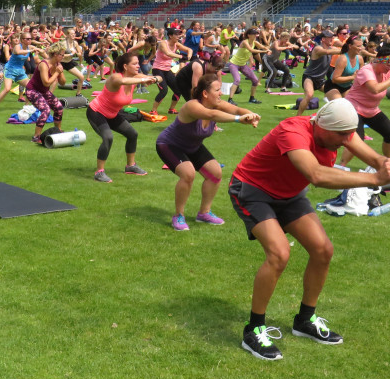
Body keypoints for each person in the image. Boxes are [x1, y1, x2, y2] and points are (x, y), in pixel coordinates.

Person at [230, 99, 390, 360]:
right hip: (253, 191)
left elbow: (366, 151)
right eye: (342, 135)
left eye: (349, 134)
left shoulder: (338, 130)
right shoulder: (293, 132)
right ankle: (254, 329)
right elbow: (317, 175)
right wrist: (373, 179)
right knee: (279, 254)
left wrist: (383, 163)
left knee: (323, 250)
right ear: (323, 127)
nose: (346, 140)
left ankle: (305, 320)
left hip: (288, 194)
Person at [157, 73, 261, 231]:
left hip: (192, 146)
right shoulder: (192, 106)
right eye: (218, 90)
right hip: (169, 145)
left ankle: (204, 213)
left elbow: (237, 109)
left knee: (215, 173)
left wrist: (251, 115)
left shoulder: (217, 105)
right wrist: (238, 119)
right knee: (188, 174)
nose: (222, 93)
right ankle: (178, 215)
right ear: (205, 93)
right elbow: (211, 115)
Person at [86, 52, 160, 183]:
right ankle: (99, 172)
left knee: (132, 134)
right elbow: (124, 81)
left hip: (112, 114)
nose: (138, 66)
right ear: (125, 66)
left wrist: (154, 79)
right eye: (135, 64)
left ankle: (130, 166)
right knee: (108, 137)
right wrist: (144, 79)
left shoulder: (135, 78)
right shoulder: (115, 77)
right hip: (96, 112)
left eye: (138, 63)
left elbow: (158, 77)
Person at [343, 46, 390, 158]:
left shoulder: (388, 71)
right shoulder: (366, 71)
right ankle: (342, 165)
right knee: (357, 140)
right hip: (355, 109)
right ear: (379, 61)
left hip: (372, 110)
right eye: (388, 64)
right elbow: (375, 89)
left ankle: (386, 162)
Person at [26, 42, 67, 144]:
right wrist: (57, 72)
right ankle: (36, 137)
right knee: (46, 110)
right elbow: (46, 82)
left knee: (58, 107)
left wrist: (60, 72)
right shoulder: (44, 65)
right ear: (55, 54)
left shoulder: (57, 64)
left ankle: (57, 131)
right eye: (61, 54)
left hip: (43, 91)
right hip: (32, 91)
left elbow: (63, 83)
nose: (63, 56)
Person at [150, 28, 192, 115]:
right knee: (164, 90)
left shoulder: (177, 44)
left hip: (167, 70)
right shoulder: (163, 43)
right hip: (158, 69)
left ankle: (171, 109)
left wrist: (188, 57)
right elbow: (168, 53)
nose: (178, 36)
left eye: (179, 34)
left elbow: (189, 50)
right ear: (170, 36)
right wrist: (181, 57)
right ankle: (153, 110)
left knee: (178, 89)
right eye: (176, 34)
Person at [296, 30, 338, 116]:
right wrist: (343, 50)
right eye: (329, 38)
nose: (331, 39)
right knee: (309, 95)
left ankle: (333, 117)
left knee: (336, 97)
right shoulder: (318, 48)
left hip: (320, 80)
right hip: (309, 77)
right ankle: (298, 117)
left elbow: (337, 49)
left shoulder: (331, 49)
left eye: (332, 37)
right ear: (323, 39)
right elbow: (327, 52)